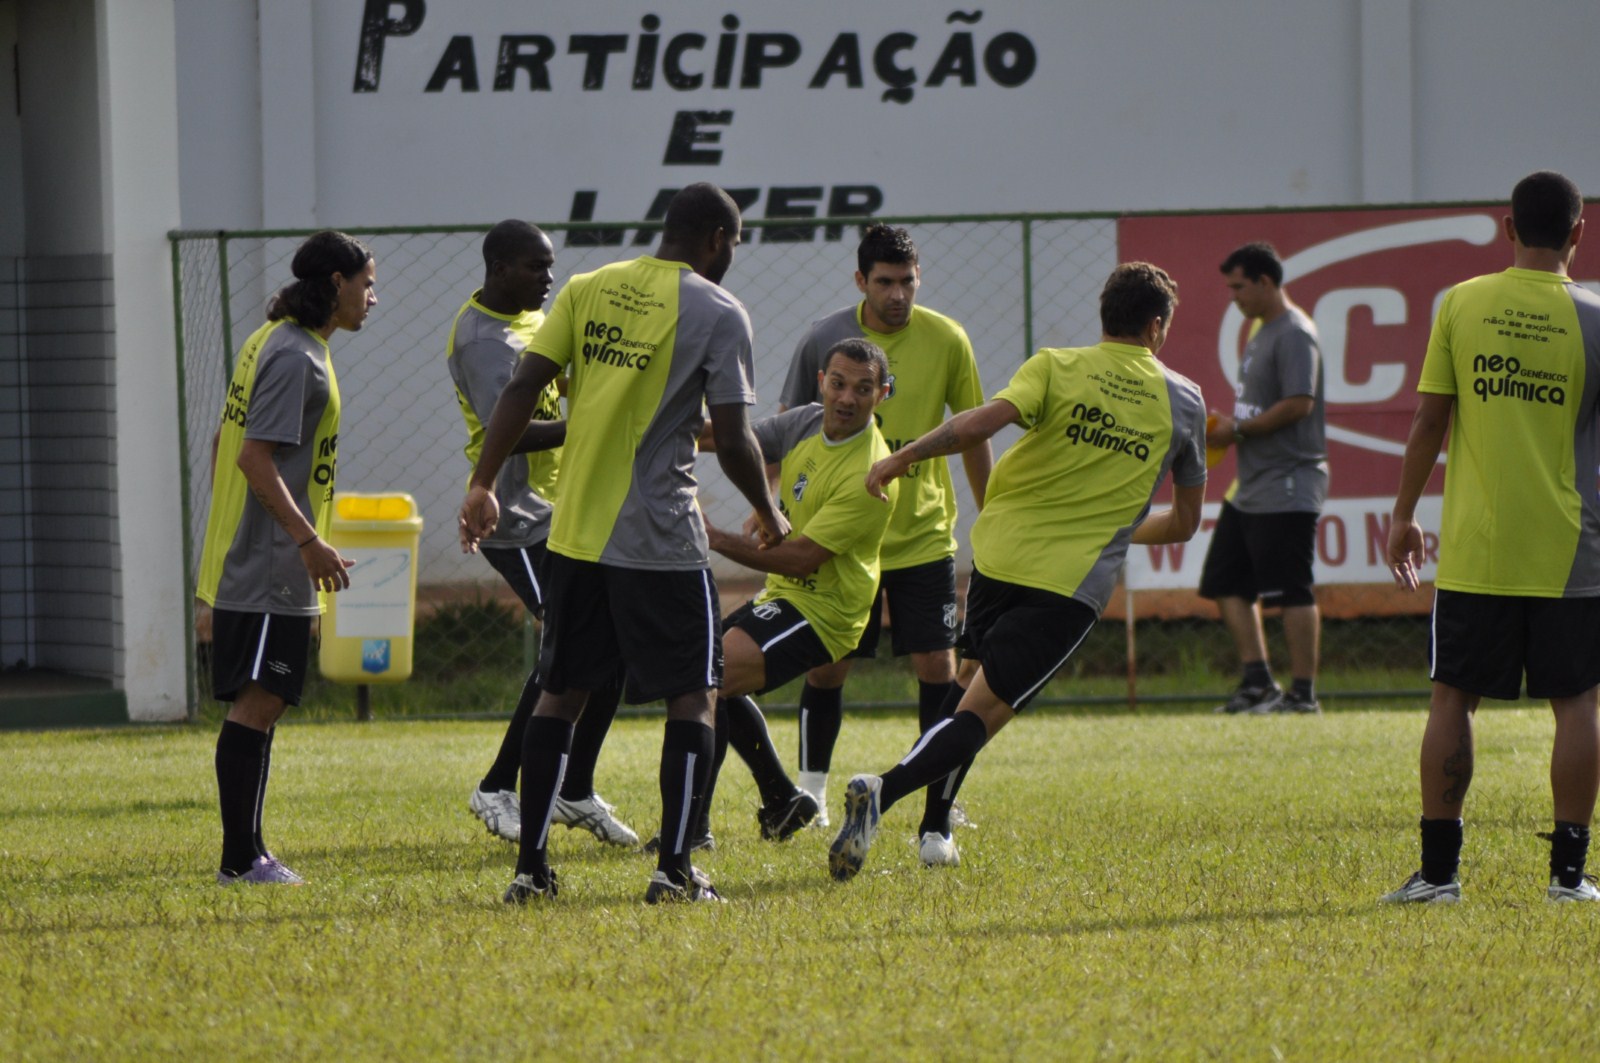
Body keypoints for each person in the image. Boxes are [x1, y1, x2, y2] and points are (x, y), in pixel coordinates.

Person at [459, 183, 789, 905]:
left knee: (560, 693)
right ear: (714, 241)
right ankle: (673, 870)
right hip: (659, 537)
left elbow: (521, 389)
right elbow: (733, 436)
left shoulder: (587, 288)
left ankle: (531, 869)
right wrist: (769, 509)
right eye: (731, 245)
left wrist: (483, 481)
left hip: (575, 533)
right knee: (694, 696)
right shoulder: (719, 310)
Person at [829, 262, 1207, 881]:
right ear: (1157, 326)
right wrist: (1105, 528)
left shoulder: (1055, 364)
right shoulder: (1184, 401)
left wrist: (906, 454)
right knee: (983, 715)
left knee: (967, 686)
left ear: (1104, 315)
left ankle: (934, 830)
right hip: (1067, 584)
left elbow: (981, 421)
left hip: (999, 557)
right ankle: (883, 788)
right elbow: (1186, 522)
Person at [1382, 170, 1600, 904]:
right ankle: (1569, 878)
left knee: (1452, 700)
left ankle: (1439, 875)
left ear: (1507, 226)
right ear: (1579, 231)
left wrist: (1404, 514)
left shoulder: (1463, 302)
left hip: (1477, 547)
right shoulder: (1597, 315)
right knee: (1577, 704)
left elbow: (1428, 422)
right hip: (1573, 547)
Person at [777, 224, 992, 825]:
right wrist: (774, 505)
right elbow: (786, 428)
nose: (898, 294)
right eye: (885, 282)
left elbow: (971, 430)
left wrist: (990, 509)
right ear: (860, 281)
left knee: (936, 667)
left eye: (908, 282)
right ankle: (812, 790)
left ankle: (937, 798)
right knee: (828, 665)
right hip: (843, 538)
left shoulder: (948, 338)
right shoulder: (825, 337)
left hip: (921, 533)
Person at [447, 220, 636, 849]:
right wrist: (591, 423)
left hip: (569, 510)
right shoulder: (482, 341)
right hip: (518, 518)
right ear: (499, 268)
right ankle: (498, 786)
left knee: (607, 648)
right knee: (567, 648)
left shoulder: (535, 320)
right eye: (536, 268)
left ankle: (574, 790)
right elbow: (514, 428)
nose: (548, 279)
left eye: (551, 267)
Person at [196, 230, 376, 885]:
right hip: (274, 562)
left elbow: (226, 439)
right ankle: (241, 860)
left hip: (261, 555)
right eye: (366, 284)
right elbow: (251, 455)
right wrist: (304, 539)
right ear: (334, 282)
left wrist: (232, 535)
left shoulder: (271, 341)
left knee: (261, 702)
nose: (372, 298)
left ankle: (250, 854)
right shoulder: (297, 356)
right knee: (259, 703)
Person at [684, 338, 897, 848]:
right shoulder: (805, 421)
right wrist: (669, 430)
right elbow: (735, 438)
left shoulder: (871, 474)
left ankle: (692, 834)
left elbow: (801, 558)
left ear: (882, 394)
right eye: (839, 384)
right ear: (822, 381)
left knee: (705, 679)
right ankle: (781, 801)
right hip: (786, 594)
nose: (848, 398)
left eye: (863, 389)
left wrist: (712, 537)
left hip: (827, 611)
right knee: (707, 674)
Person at [1201, 242, 1327, 715]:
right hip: (1253, 484)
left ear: (1266, 282)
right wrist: (1228, 426)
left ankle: (1303, 694)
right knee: (1226, 582)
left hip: (1289, 481)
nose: (1234, 297)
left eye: (1239, 287)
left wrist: (1239, 429)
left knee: (1292, 589)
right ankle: (1258, 683)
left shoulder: (1295, 332)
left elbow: (1300, 404)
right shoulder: (1261, 330)